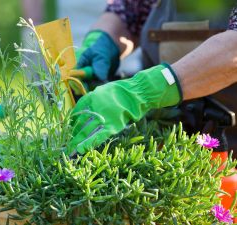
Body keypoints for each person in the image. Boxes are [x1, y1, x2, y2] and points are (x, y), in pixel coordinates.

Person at [67, 0, 237, 156]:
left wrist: (141, 91)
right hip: (163, 148)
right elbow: (129, 10)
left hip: (228, 154)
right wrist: (101, 42)